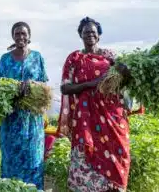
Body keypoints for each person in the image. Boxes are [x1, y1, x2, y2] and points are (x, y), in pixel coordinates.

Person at [57, 17, 131, 192]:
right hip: (85, 116)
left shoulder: (111, 57)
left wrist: (126, 71)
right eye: (86, 32)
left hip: (111, 113)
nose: (90, 35)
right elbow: (65, 88)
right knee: (85, 152)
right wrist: (92, 84)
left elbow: (125, 80)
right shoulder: (74, 58)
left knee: (118, 152)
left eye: (93, 32)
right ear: (80, 35)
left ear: (99, 36)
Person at [0, 21, 48, 190]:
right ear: (13, 36)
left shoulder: (37, 57)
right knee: (11, 159)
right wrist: (14, 88)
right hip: (11, 119)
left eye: (23, 34)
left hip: (32, 120)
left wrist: (32, 83)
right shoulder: (4, 59)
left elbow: (45, 86)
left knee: (33, 159)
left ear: (29, 36)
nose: (20, 37)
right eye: (17, 34)